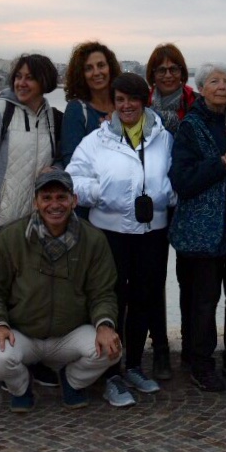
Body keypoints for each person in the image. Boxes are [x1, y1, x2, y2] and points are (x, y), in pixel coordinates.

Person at [66, 72, 177, 407]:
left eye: (133, 99)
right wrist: (102, 193)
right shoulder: (97, 140)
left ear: (144, 101)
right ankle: (110, 372)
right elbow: (72, 179)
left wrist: (164, 195)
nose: (126, 106)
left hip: (151, 231)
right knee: (111, 299)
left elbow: (176, 176)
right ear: (113, 104)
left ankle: (133, 365)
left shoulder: (163, 137)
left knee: (144, 297)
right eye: (120, 100)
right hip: (109, 233)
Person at [0, 170, 122, 412]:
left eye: (61, 197)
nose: (54, 205)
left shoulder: (93, 240)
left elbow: (103, 292)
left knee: (111, 350)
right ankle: (21, 387)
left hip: (70, 334)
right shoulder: (10, 238)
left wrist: (105, 325)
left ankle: (72, 380)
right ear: (35, 202)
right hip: (23, 333)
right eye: (46, 198)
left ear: (74, 200)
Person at [169, 62, 226, 391]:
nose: (221, 86)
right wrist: (220, 164)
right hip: (200, 230)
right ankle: (201, 362)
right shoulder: (189, 127)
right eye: (213, 81)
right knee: (204, 300)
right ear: (202, 88)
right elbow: (182, 180)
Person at [0, 53, 61, 254]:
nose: (21, 83)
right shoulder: (0, 111)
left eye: (30, 77)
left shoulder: (50, 117)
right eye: (18, 76)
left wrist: (54, 170)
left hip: (36, 224)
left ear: (44, 82)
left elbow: (56, 159)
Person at [61, 41, 122, 164]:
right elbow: (72, 162)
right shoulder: (77, 110)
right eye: (88, 68)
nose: (96, 73)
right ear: (81, 75)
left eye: (101, 65)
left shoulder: (124, 106)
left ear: (110, 68)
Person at [147, 43, 196, 134]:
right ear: (153, 75)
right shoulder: (143, 104)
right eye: (161, 70)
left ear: (182, 72)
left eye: (173, 69)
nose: (168, 75)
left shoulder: (196, 104)